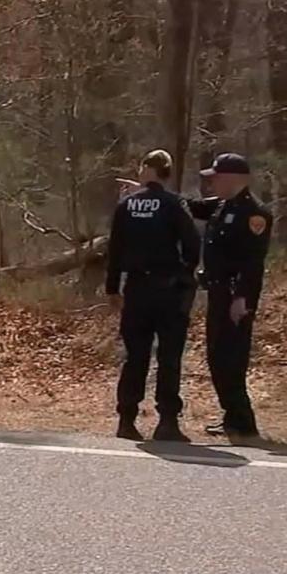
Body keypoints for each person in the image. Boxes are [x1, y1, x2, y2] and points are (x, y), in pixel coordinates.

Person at [105, 150, 201, 442]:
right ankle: (167, 422)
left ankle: (126, 420)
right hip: (168, 289)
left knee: (135, 356)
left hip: (135, 290)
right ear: (168, 173)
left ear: (147, 171)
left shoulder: (127, 205)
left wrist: (112, 287)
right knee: (169, 356)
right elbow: (192, 244)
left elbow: (115, 248)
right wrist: (185, 273)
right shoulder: (174, 204)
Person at [187, 153, 273, 440]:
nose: (212, 182)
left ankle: (243, 422)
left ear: (235, 179)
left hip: (236, 297)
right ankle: (232, 417)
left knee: (231, 358)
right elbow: (192, 206)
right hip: (218, 292)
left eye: (217, 177)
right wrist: (150, 192)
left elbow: (252, 261)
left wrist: (241, 298)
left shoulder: (254, 213)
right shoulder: (223, 206)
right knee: (217, 356)